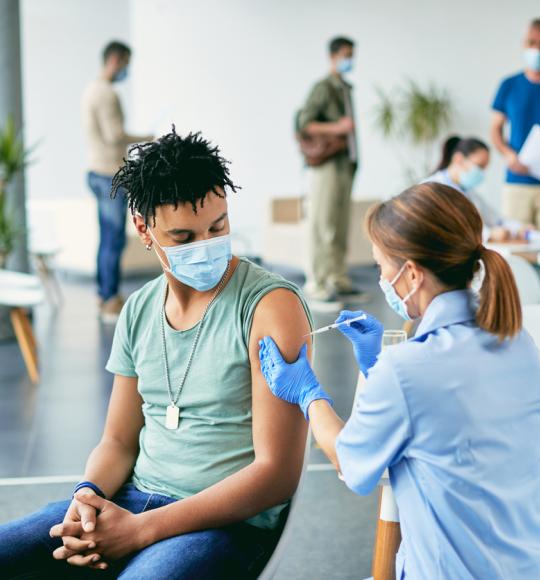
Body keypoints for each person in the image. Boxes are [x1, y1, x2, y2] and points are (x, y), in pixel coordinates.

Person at [0, 128, 311, 578]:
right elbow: (118, 441)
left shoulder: (270, 306)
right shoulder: (140, 309)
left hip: (222, 523)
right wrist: (86, 498)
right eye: (183, 237)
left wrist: (141, 530)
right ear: (143, 228)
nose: (206, 247)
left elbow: (276, 474)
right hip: (129, 501)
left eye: (218, 227)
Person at [259, 182, 540, 579]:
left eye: (382, 268)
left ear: (412, 274)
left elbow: (350, 463)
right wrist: (378, 370)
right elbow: (446, 415)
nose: (381, 279)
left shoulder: (406, 369)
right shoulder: (518, 343)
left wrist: (307, 391)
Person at [490, 18, 540, 302]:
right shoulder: (509, 85)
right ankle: (514, 306)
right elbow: (495, 129)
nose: (537, 50)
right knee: (515, 250)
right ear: (525, 44)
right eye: (532, 43)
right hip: (517, 182)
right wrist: (508, 155)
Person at [81, 40, 153, 323]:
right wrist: (147, 137)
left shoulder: (90, 90)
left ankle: (104, 295)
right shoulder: (107, 94)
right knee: (113, 239)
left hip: (95, 172)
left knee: (106, 238)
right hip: (110, 174)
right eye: (126, 63)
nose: (127, 70)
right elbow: (114, 135)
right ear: (115, 60)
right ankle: (110, 300)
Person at [298, 36, 365, 308]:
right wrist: (337, 128)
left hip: (344, 166)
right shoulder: (323, 88)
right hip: (325, 167)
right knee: (321, 224)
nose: (350, 60)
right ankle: (315, 284)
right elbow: (306, 123)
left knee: (338, 225)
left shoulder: (345, 88)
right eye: (346, 55)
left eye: (352, 55)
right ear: (333, 56)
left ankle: (337, 279)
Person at [425, 135, 533, 243]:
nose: (481, 173)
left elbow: (496, 219)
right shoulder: (433, 188)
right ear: (459, 159)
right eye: (479, 166)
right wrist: (489, 234)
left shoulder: (467, 192)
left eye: (484, 169)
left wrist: (519, 228)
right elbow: (452, 229)